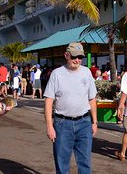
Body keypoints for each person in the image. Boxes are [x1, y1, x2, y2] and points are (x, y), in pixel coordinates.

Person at [45, 42, 98, 174]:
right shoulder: (57, 74)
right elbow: (49, 101)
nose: (77, 60)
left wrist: (94, 122)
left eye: (80, 57)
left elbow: (92, 98)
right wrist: (49, 126)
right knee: (62, 163)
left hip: (84, 123)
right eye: (74, 57)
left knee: (85, 163)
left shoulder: (86, 72)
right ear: (66, 55)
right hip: (62, 124)